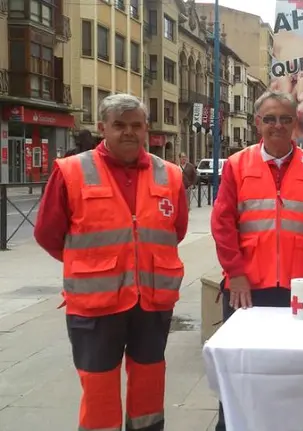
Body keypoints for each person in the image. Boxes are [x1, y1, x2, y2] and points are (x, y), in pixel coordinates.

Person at [34, 93, 189, 431]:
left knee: (150, 385)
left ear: (146, 128)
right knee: (99, 388)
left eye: (136, 125)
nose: (128, 132)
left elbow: (176, 230)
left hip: (152, 301)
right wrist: (92, 262)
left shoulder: (171, 174)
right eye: (119, 125)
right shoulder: (72, 171)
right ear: (102, 128)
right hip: (95, 304)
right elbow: (47, 233)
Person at [210, 90, 303, 431]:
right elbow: (222, 225)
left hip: (301, 290)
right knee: (241, 367)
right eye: (269, 119)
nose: (277, 126)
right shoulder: (237, 165)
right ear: (257, 123)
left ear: (296, 123)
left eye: (285, 119)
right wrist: (235, 273)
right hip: (248, 287)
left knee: (296, 369)